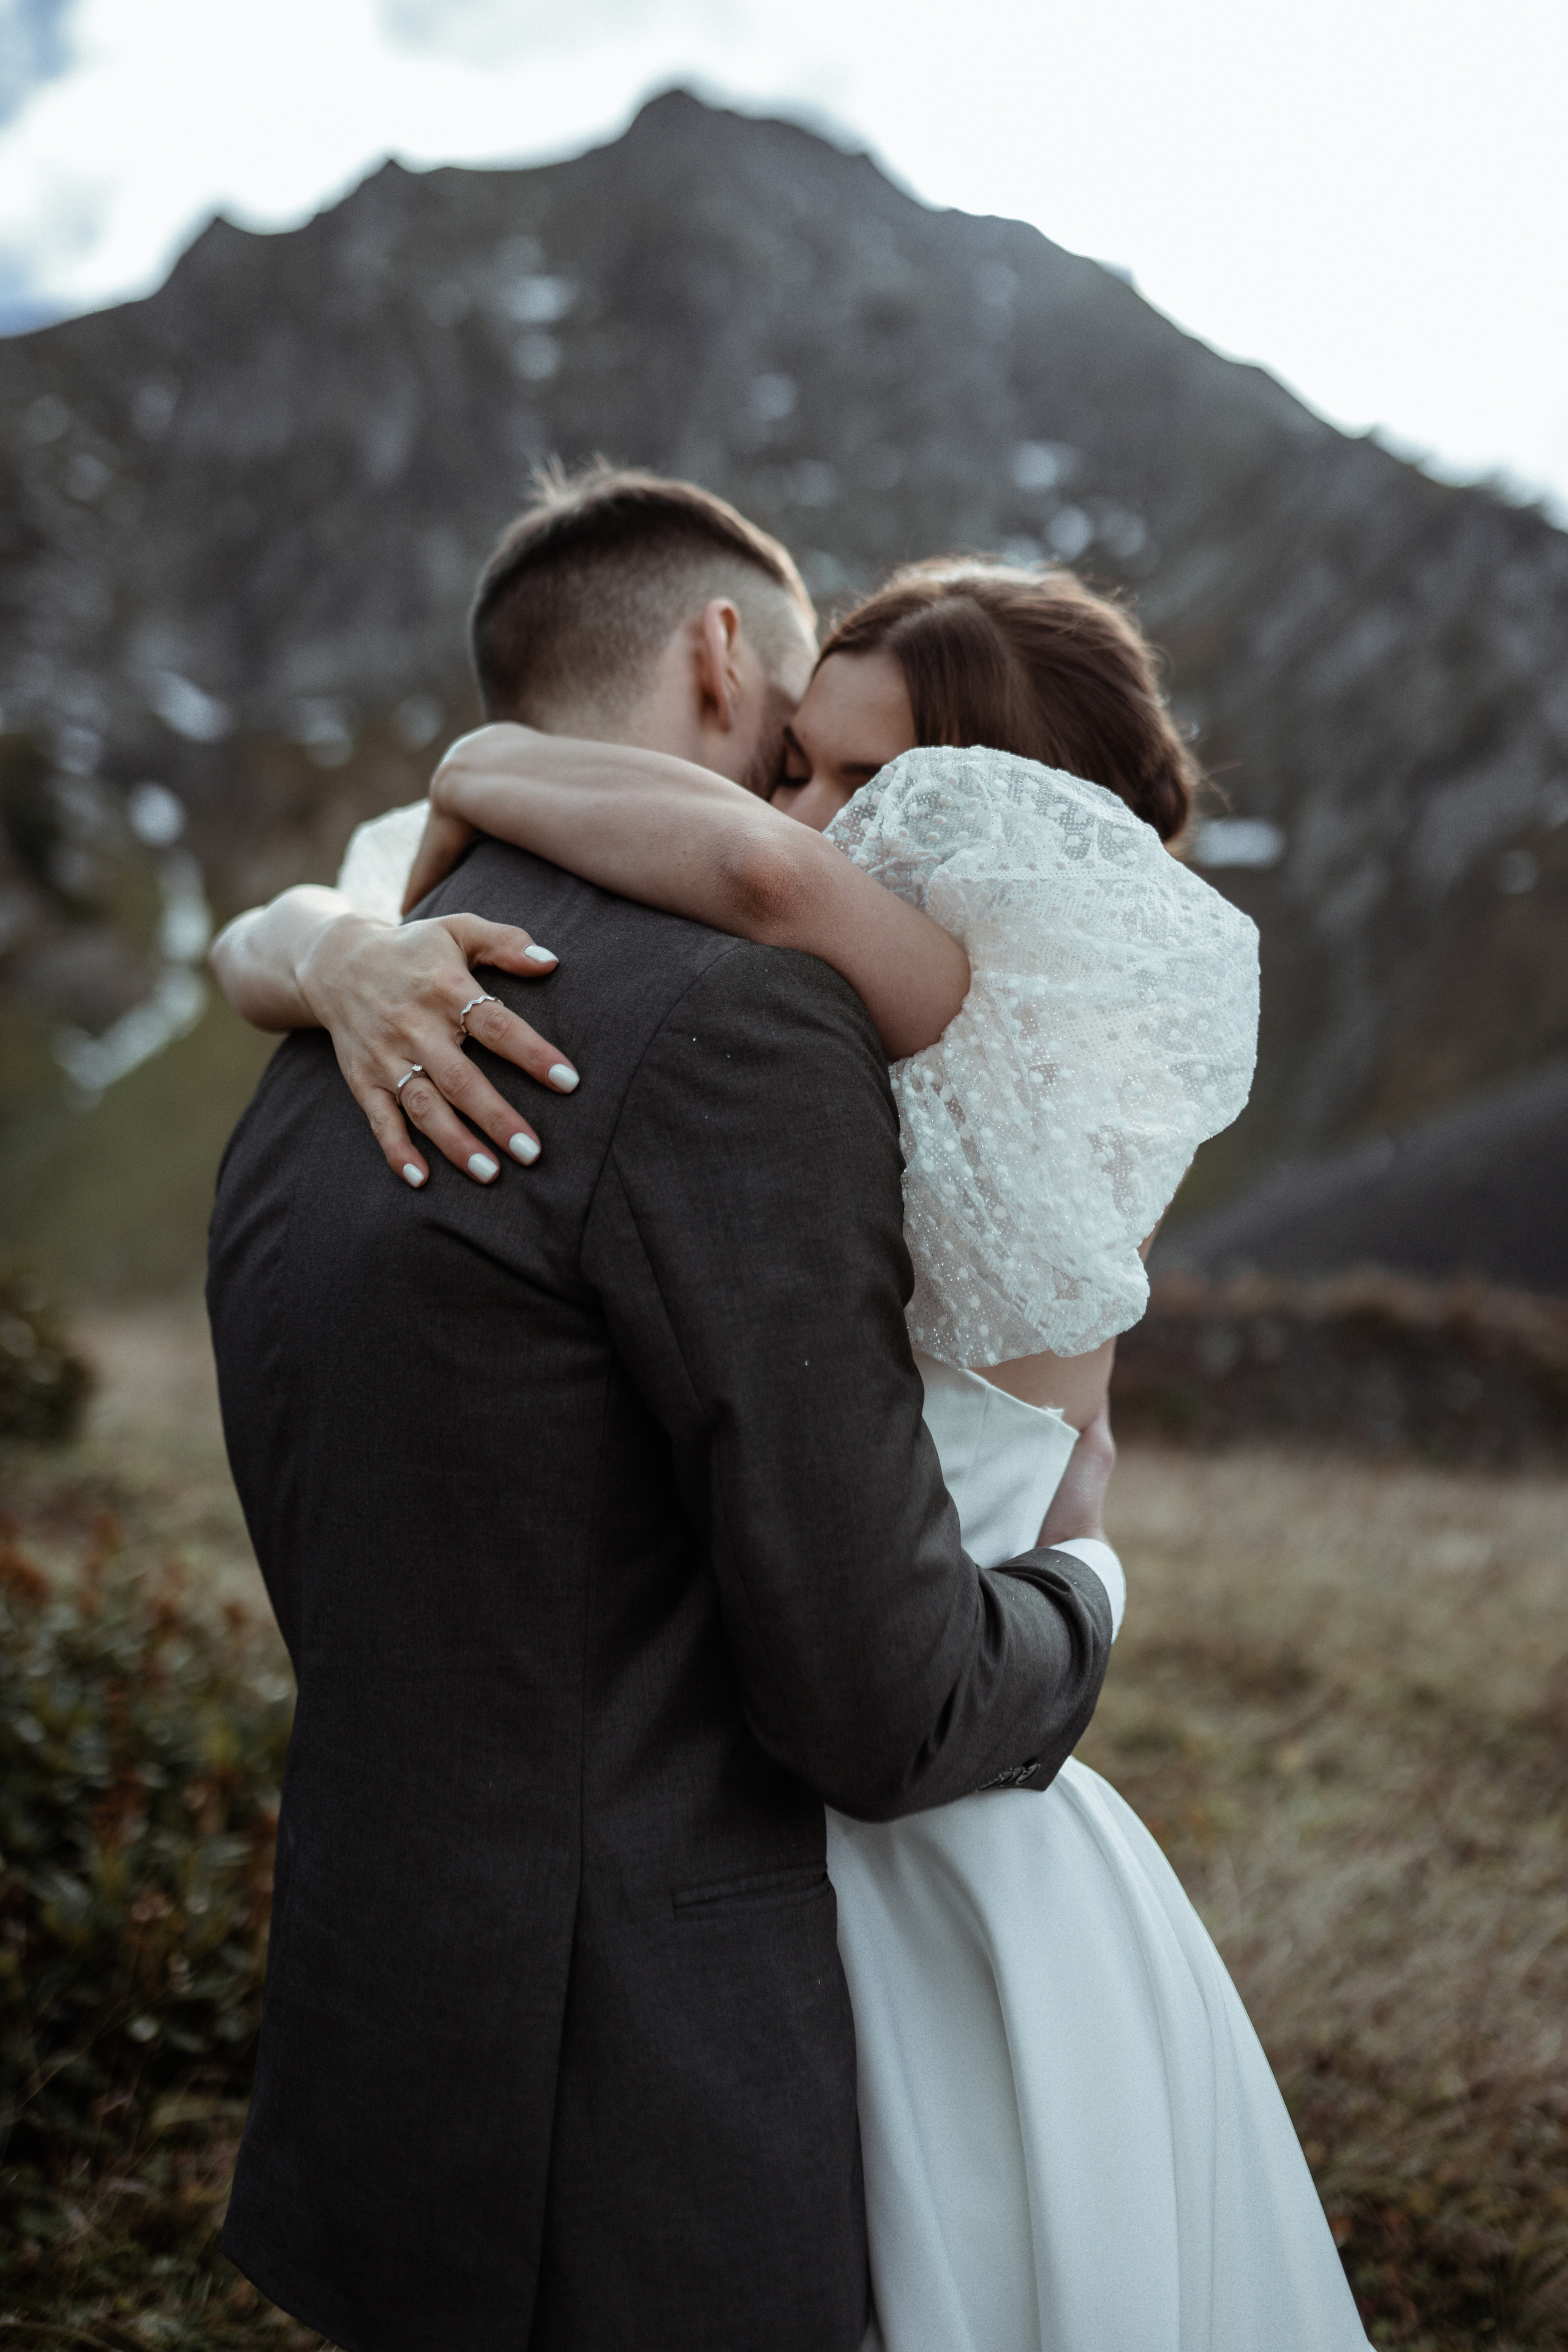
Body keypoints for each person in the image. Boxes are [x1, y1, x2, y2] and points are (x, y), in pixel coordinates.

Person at [222, 499, 1374, 2348]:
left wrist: (446, 798)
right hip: (767, 1889)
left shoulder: (928, 991)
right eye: (793, 764)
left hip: (919, 1831)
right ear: (720, 660)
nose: (795, 816)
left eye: (852, 778)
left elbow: (759, 886)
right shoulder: (732, 1015)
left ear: (1011, 810)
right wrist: (328, 935)